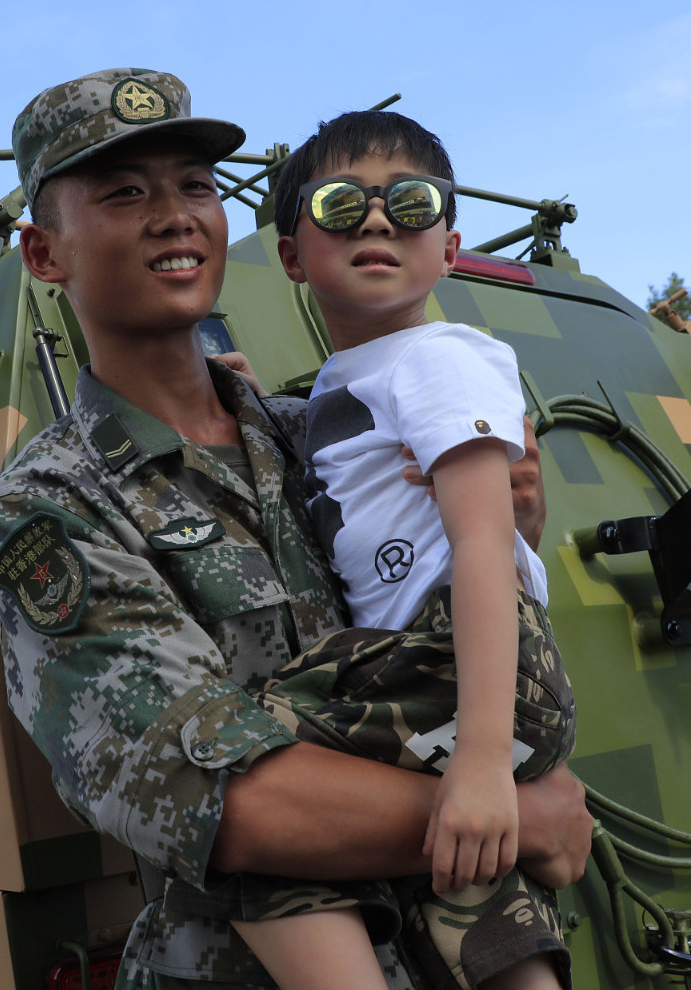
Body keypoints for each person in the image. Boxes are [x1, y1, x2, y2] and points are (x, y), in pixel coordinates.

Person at [0, 68, 592, 990]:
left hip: (452, 942)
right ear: (42, 253)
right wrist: (516, 809)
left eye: (196, 186)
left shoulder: (315, 429)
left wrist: (516, 525)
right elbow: (219, 797)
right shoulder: (48, 507)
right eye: (125, 192)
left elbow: (437, 600)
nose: (175, 215)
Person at [162, 111, 577, 990]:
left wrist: (479, 761)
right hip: (441, 667)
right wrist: (225, 389)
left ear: (452, 245)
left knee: (230, 784)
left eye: (412, 202)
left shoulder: (437, 364)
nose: (380, 220)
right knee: (460, 869)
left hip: (448, 660)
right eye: (343, 203)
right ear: (288, 255)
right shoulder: (351, 384)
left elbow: (482, 545)